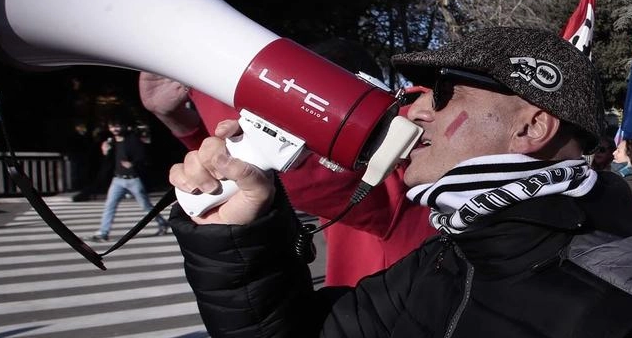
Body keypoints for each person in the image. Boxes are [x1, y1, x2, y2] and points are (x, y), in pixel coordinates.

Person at [166, 27, 632, 337]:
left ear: (532, 126)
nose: (413, 109)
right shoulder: (444, 261)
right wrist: (239, 240)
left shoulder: (626, 310)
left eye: (443, 93)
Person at [139, 39, 435, 287]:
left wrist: (199, 79)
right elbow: (245, 163)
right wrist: (179, 119)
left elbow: (298, 173)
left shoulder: (405, 167)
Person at [89, 116, 168, 241]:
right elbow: (108, 161)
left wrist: (133, 164)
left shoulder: (132, 140)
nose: (114, 129)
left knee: (146, 206)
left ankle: (162, 222)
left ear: (122, 126)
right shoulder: (111, 142)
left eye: (117, 126)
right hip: (117, 180)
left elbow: (143, 157)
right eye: (112, 126)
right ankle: (103, 233)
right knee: (110, 205)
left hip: (133, 179)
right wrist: (105, 152)